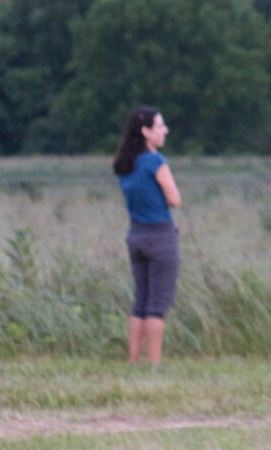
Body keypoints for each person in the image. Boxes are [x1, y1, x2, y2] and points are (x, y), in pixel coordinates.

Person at [112, 107, 182, 366]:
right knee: (157, 304)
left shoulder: (125, 164)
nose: (165, 131)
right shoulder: (155, 161)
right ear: (146, 131)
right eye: (160, 126)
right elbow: (175, 199)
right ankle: (154, 363)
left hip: (136, 235)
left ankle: (133, 360)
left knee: (140, 301)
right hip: (160, 236)